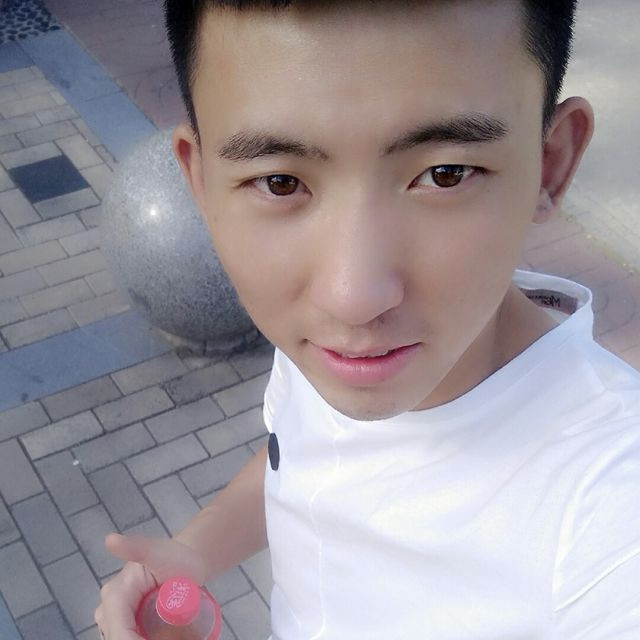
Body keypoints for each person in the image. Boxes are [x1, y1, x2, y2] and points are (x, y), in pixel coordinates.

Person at [95, 1, 640, 638]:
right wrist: (195, 551)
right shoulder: (335, 350)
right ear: (201, 182)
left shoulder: (608, 515)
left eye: (445, 174)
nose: (351, 298)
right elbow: (300, 454)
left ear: (550, 165)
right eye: (279, 183)